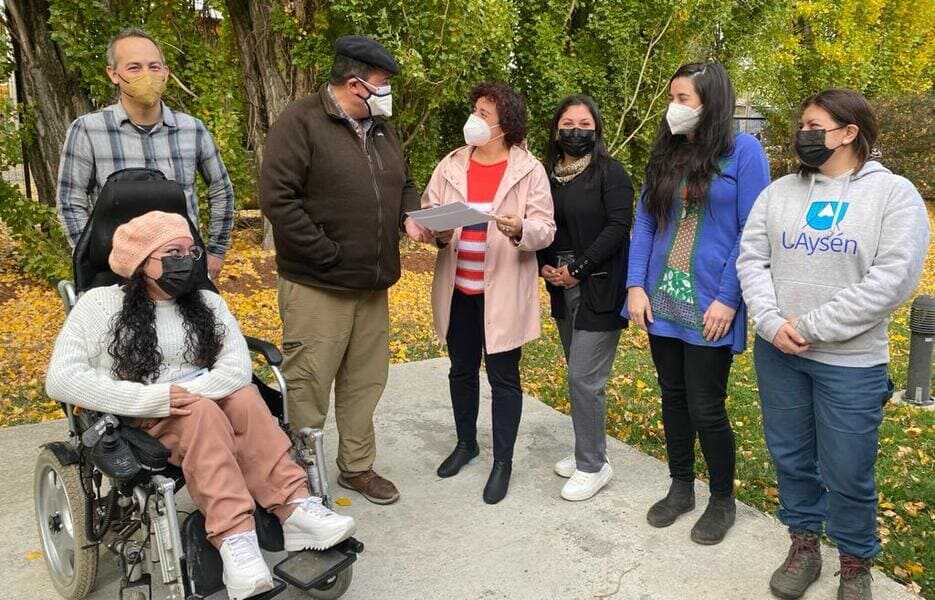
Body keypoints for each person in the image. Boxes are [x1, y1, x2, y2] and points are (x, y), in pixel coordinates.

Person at [45, 211, 356, 600]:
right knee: (204, 412)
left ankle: (294, 507)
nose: (187, 261)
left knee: (245, 397)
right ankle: (235, 538)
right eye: (173, 253)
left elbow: (237, 369)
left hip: (204, 401)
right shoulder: (99, 306)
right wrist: (154, 399)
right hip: (141, 414)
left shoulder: (205, 302)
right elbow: (61, 378)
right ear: (140, 261)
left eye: (191, 252)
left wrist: (191, 392)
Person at [737, 89, 929, 600]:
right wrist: (771, 322)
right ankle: (804, 545)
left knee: (848, 468)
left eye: (814, 125)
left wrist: (812, 326)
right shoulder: (779, 192)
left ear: (848, 133)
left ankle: (854, 562)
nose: (803, 134)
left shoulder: (894, 195)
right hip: (779, 354)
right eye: (802, 124)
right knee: (791, 457)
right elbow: (752, 259)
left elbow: (892, 281)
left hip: (851, 363)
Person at [259, 35, 423, 505]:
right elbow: (278, 200)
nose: (388, 93)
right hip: (319, 285)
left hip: (372, 286)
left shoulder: (382, 129)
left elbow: (404, 183)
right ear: (355, 85)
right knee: (308, 384)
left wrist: (410, 215)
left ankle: (357, 466)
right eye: (383, 84)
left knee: (364, 382)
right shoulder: (300, 122)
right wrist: (328, 253)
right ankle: (299, 477)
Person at [623, 62, 770, 544]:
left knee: (707, 406)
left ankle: (722, 499)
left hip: (711, 303)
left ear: (711, 101)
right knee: (673, 397)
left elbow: (753, 230)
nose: (674, 107)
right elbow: (646, 223)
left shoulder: (744, 152)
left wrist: (729, 299)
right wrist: (635, 285)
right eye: (672, 97)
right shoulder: (665, 153)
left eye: (683, 98)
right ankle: (681, 486)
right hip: (661, 299)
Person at [416, 82, 555, 504]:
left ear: (504, 125)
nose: (474, 119)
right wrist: (436, 232)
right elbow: (429, 213)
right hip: (459, 289)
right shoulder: (452, 163)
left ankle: (503, 462)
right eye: (474, 110)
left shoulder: (529, 169)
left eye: (484, 114)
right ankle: (466, 444)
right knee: (461, 370)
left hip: (503, 293)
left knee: (503, 378)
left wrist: (521, 228)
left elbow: (545, 228)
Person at [56, 28, 234, 280]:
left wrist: (216, 251)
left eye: (154, 67)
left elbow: (221, 189)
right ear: (113, 74)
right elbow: (69, 201)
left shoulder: (192, 129)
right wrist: (91, 257)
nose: (147, 75)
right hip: (114, 274)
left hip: (183, 270)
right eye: (134, 68)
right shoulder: (87, 130)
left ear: (166, 72)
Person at [537, 95, 633, 502]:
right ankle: (587, 450)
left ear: (596, 130)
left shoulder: (610, 173)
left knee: (584, 377)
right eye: (568, 124)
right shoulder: (546, 176)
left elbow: (618, 227)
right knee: (578, 373)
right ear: (556, 129)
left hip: (599, 285)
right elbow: (540, 225)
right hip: (560, 285)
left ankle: (593, 466)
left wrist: (578, 268)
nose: (576, 131)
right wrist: (544, 264)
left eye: (584, 124)